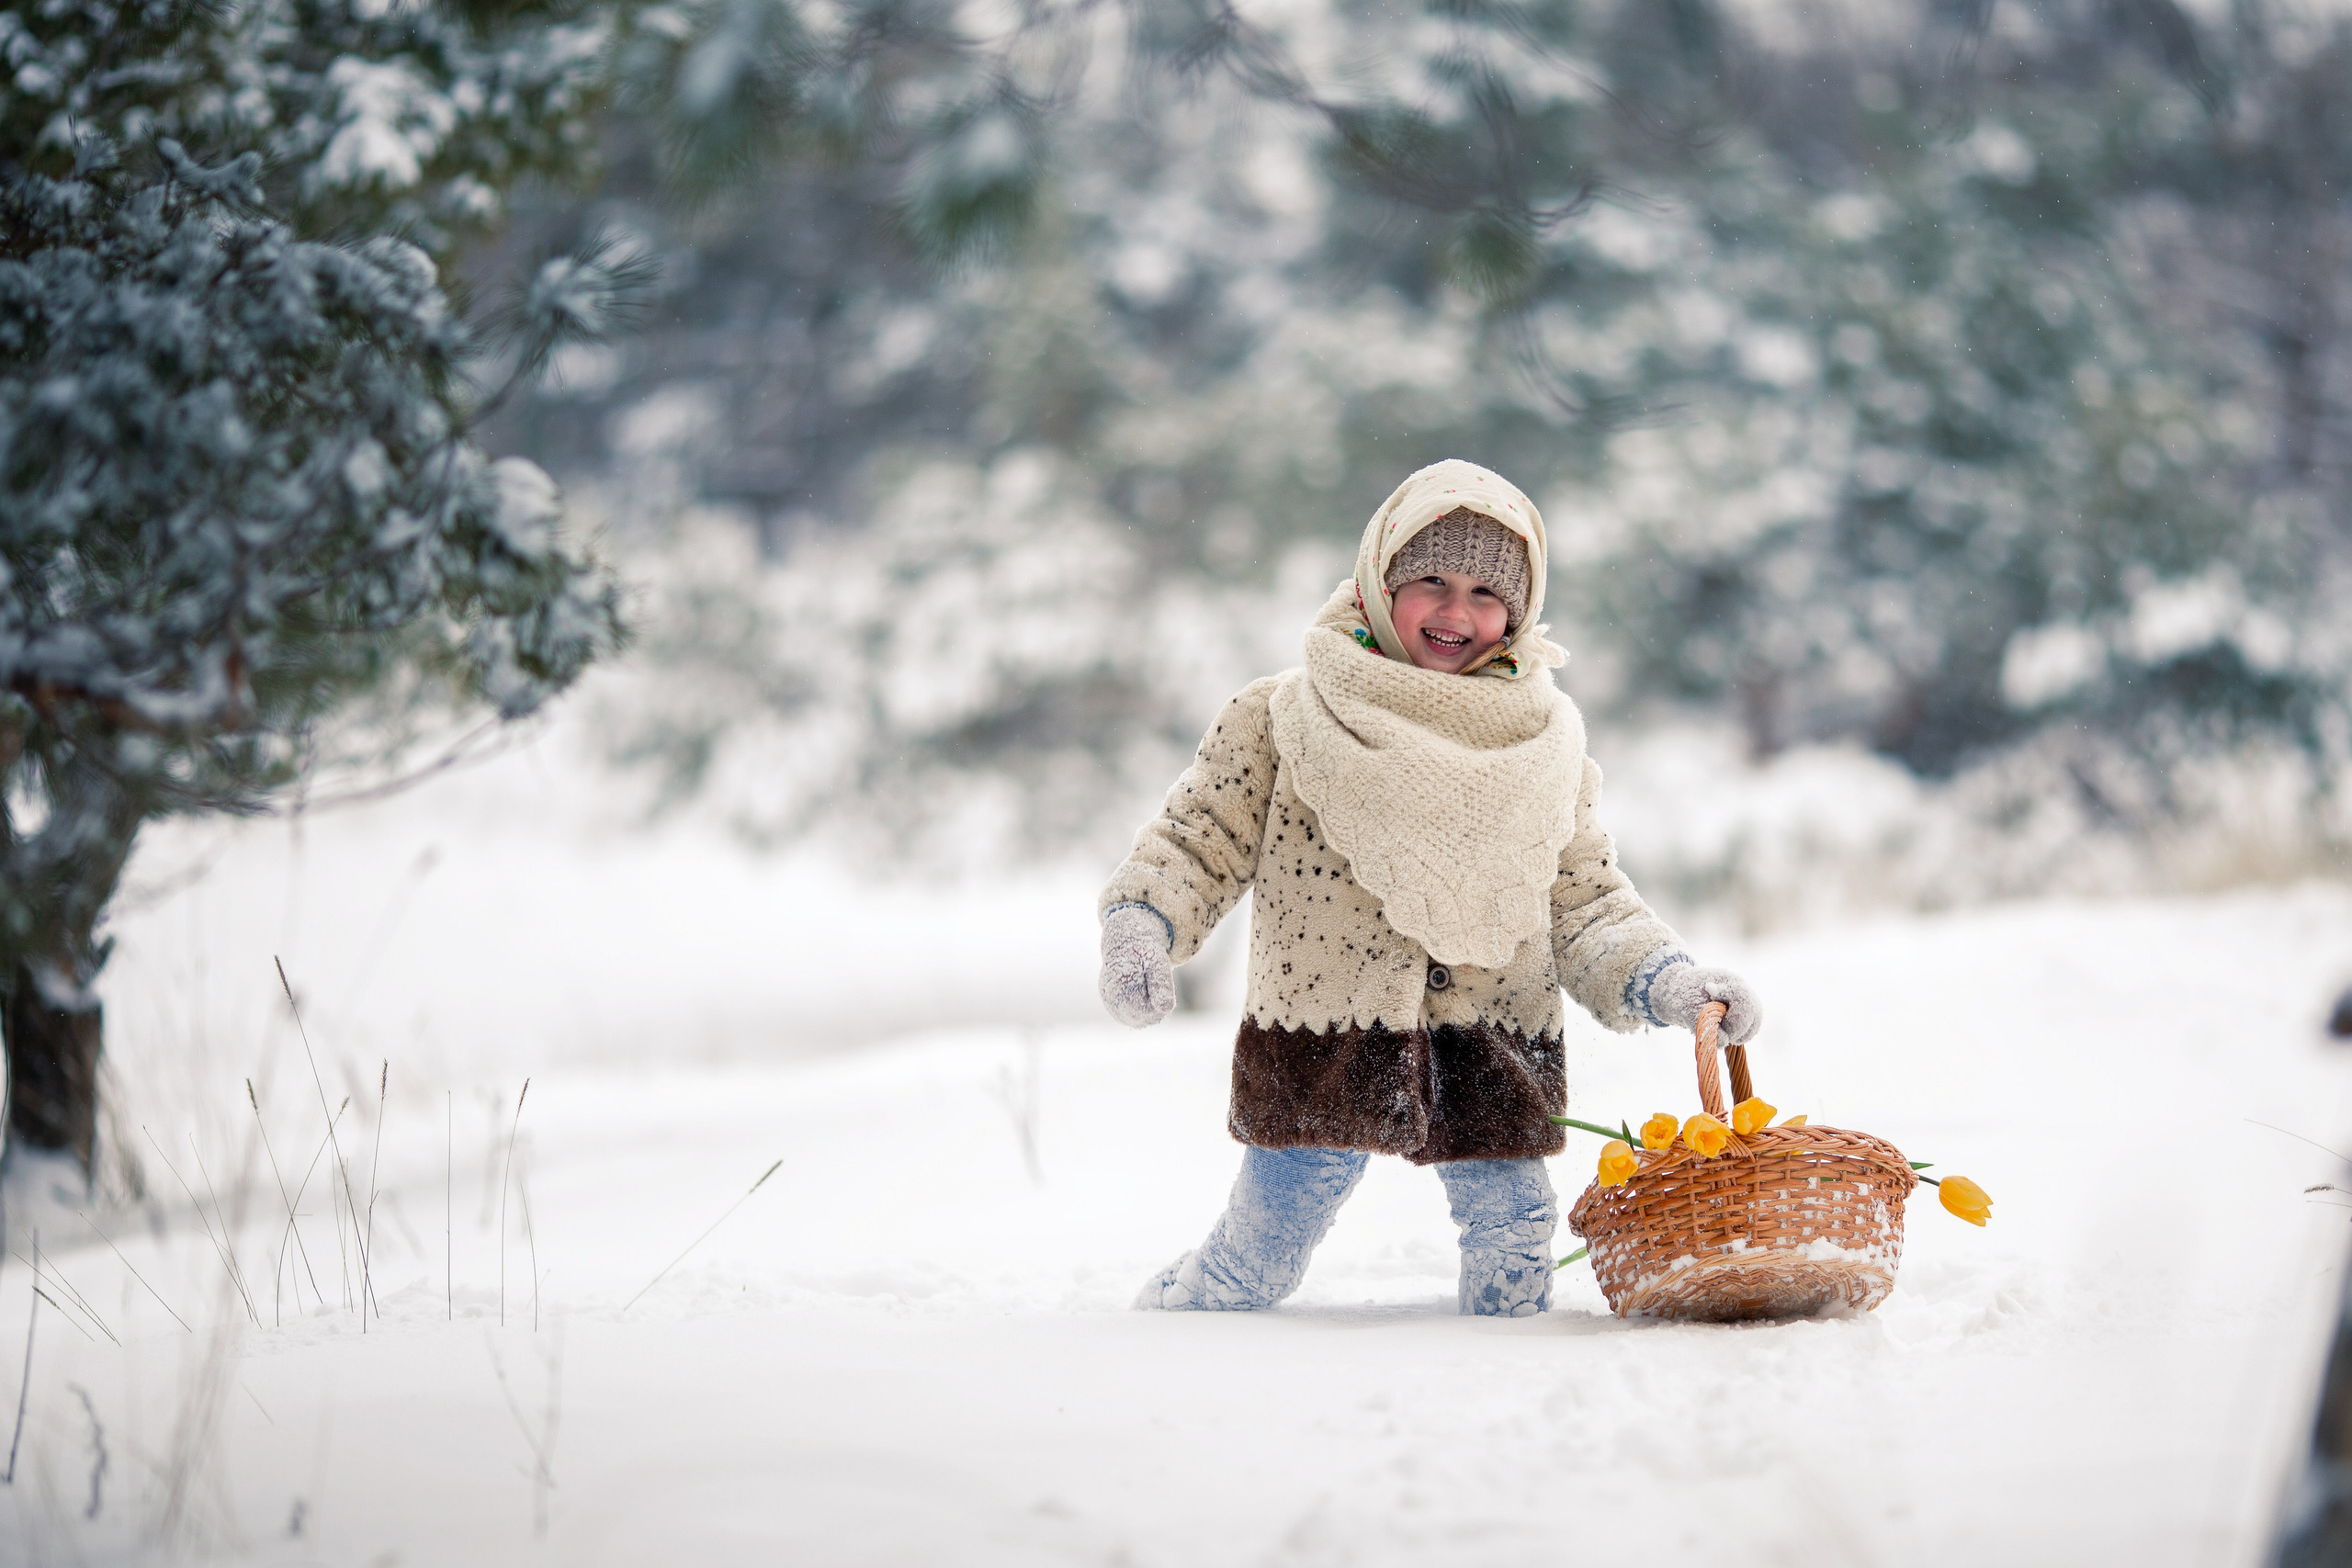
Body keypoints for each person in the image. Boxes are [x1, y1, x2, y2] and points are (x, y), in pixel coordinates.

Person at [1095, 458, 1760, 1317]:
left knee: (1516, 1262)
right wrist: (1143, 921)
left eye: (1488, 593)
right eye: (1432, 581)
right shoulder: (1283, 716)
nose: (1457, 612)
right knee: (1254, 1262)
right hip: (1320, 1037)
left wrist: (1668, 980)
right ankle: (1163, 1339)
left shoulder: (1545, 748)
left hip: (1495, 1044)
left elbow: (1588, 902)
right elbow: (1200, 837)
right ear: (1379, 580)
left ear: (1519, 613)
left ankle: (1498, 1413)